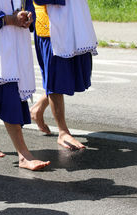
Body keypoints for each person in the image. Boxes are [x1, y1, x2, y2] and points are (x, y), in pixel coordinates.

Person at [0, 0, 50, 171]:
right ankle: (24, 156)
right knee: (7, 97)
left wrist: (29, 16)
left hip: (15, 42)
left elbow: (28, 4)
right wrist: (8, 20)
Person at [30, 0, 97, 150]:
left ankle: (38, 108)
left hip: (74, 20)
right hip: (52, 25)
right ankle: (63, 132)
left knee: (68, 75)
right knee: (56, 78)